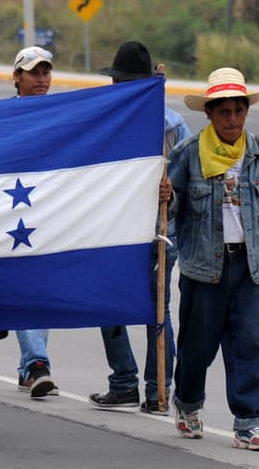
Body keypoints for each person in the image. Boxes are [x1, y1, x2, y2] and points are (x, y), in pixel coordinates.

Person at [168, 67, 259, 452]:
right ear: (209, 114)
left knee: (250, 344)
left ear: (246, 112)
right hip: (202, 268)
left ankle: (251, 423)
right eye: (223, 112)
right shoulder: (188, 154)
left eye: (238, 111)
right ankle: (189, 404)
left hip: (250, 267)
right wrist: (166, 196)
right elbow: (172, 209)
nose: (232, 120)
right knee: (198, 347)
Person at [88, 42, 189, 414]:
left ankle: (158, 388)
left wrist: (170, 191)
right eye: (118, 81)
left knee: (157, 309)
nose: (121, 87)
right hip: (114, 230)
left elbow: (186, 183)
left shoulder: (171, 125)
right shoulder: (104, 122)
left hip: (157, 230)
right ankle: (124, 381)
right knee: (107, 305)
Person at [6, 46, 59, 399]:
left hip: (48, 210)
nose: (40, 79)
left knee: (43, 289)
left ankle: (29, 368)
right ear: (18, 78)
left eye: (45, 72)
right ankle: (39, 363)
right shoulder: (4, 114)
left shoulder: (60, 114)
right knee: (19, 286)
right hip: (10, 211)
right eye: (33, 72)